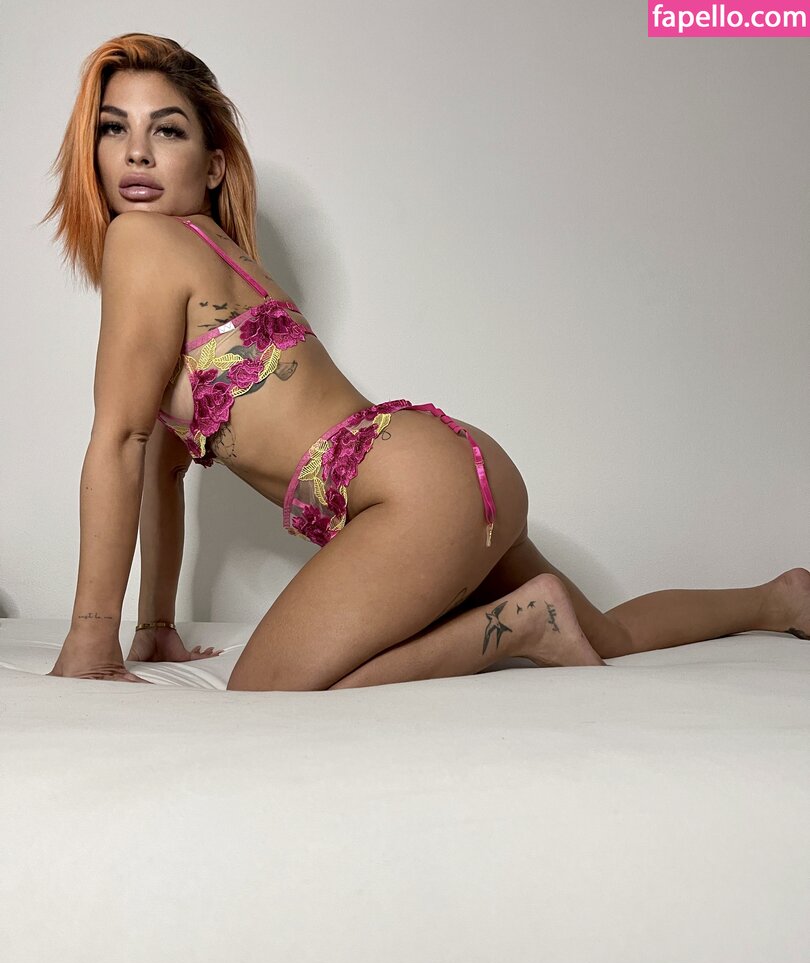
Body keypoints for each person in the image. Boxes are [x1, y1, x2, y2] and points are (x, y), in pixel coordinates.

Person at [43, 33, 808, 691]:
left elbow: (119, 440)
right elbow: (158, 467)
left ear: (213, 166)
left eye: (167, 130)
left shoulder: (141, 240)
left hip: (414, 493)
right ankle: (778, 600)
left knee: (266, 685)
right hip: (445, 466)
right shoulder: (217, 256)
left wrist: (90, 638)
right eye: (114, 128)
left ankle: (521, 627)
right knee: (610, 634)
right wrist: (155, 628)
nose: (136, 151)